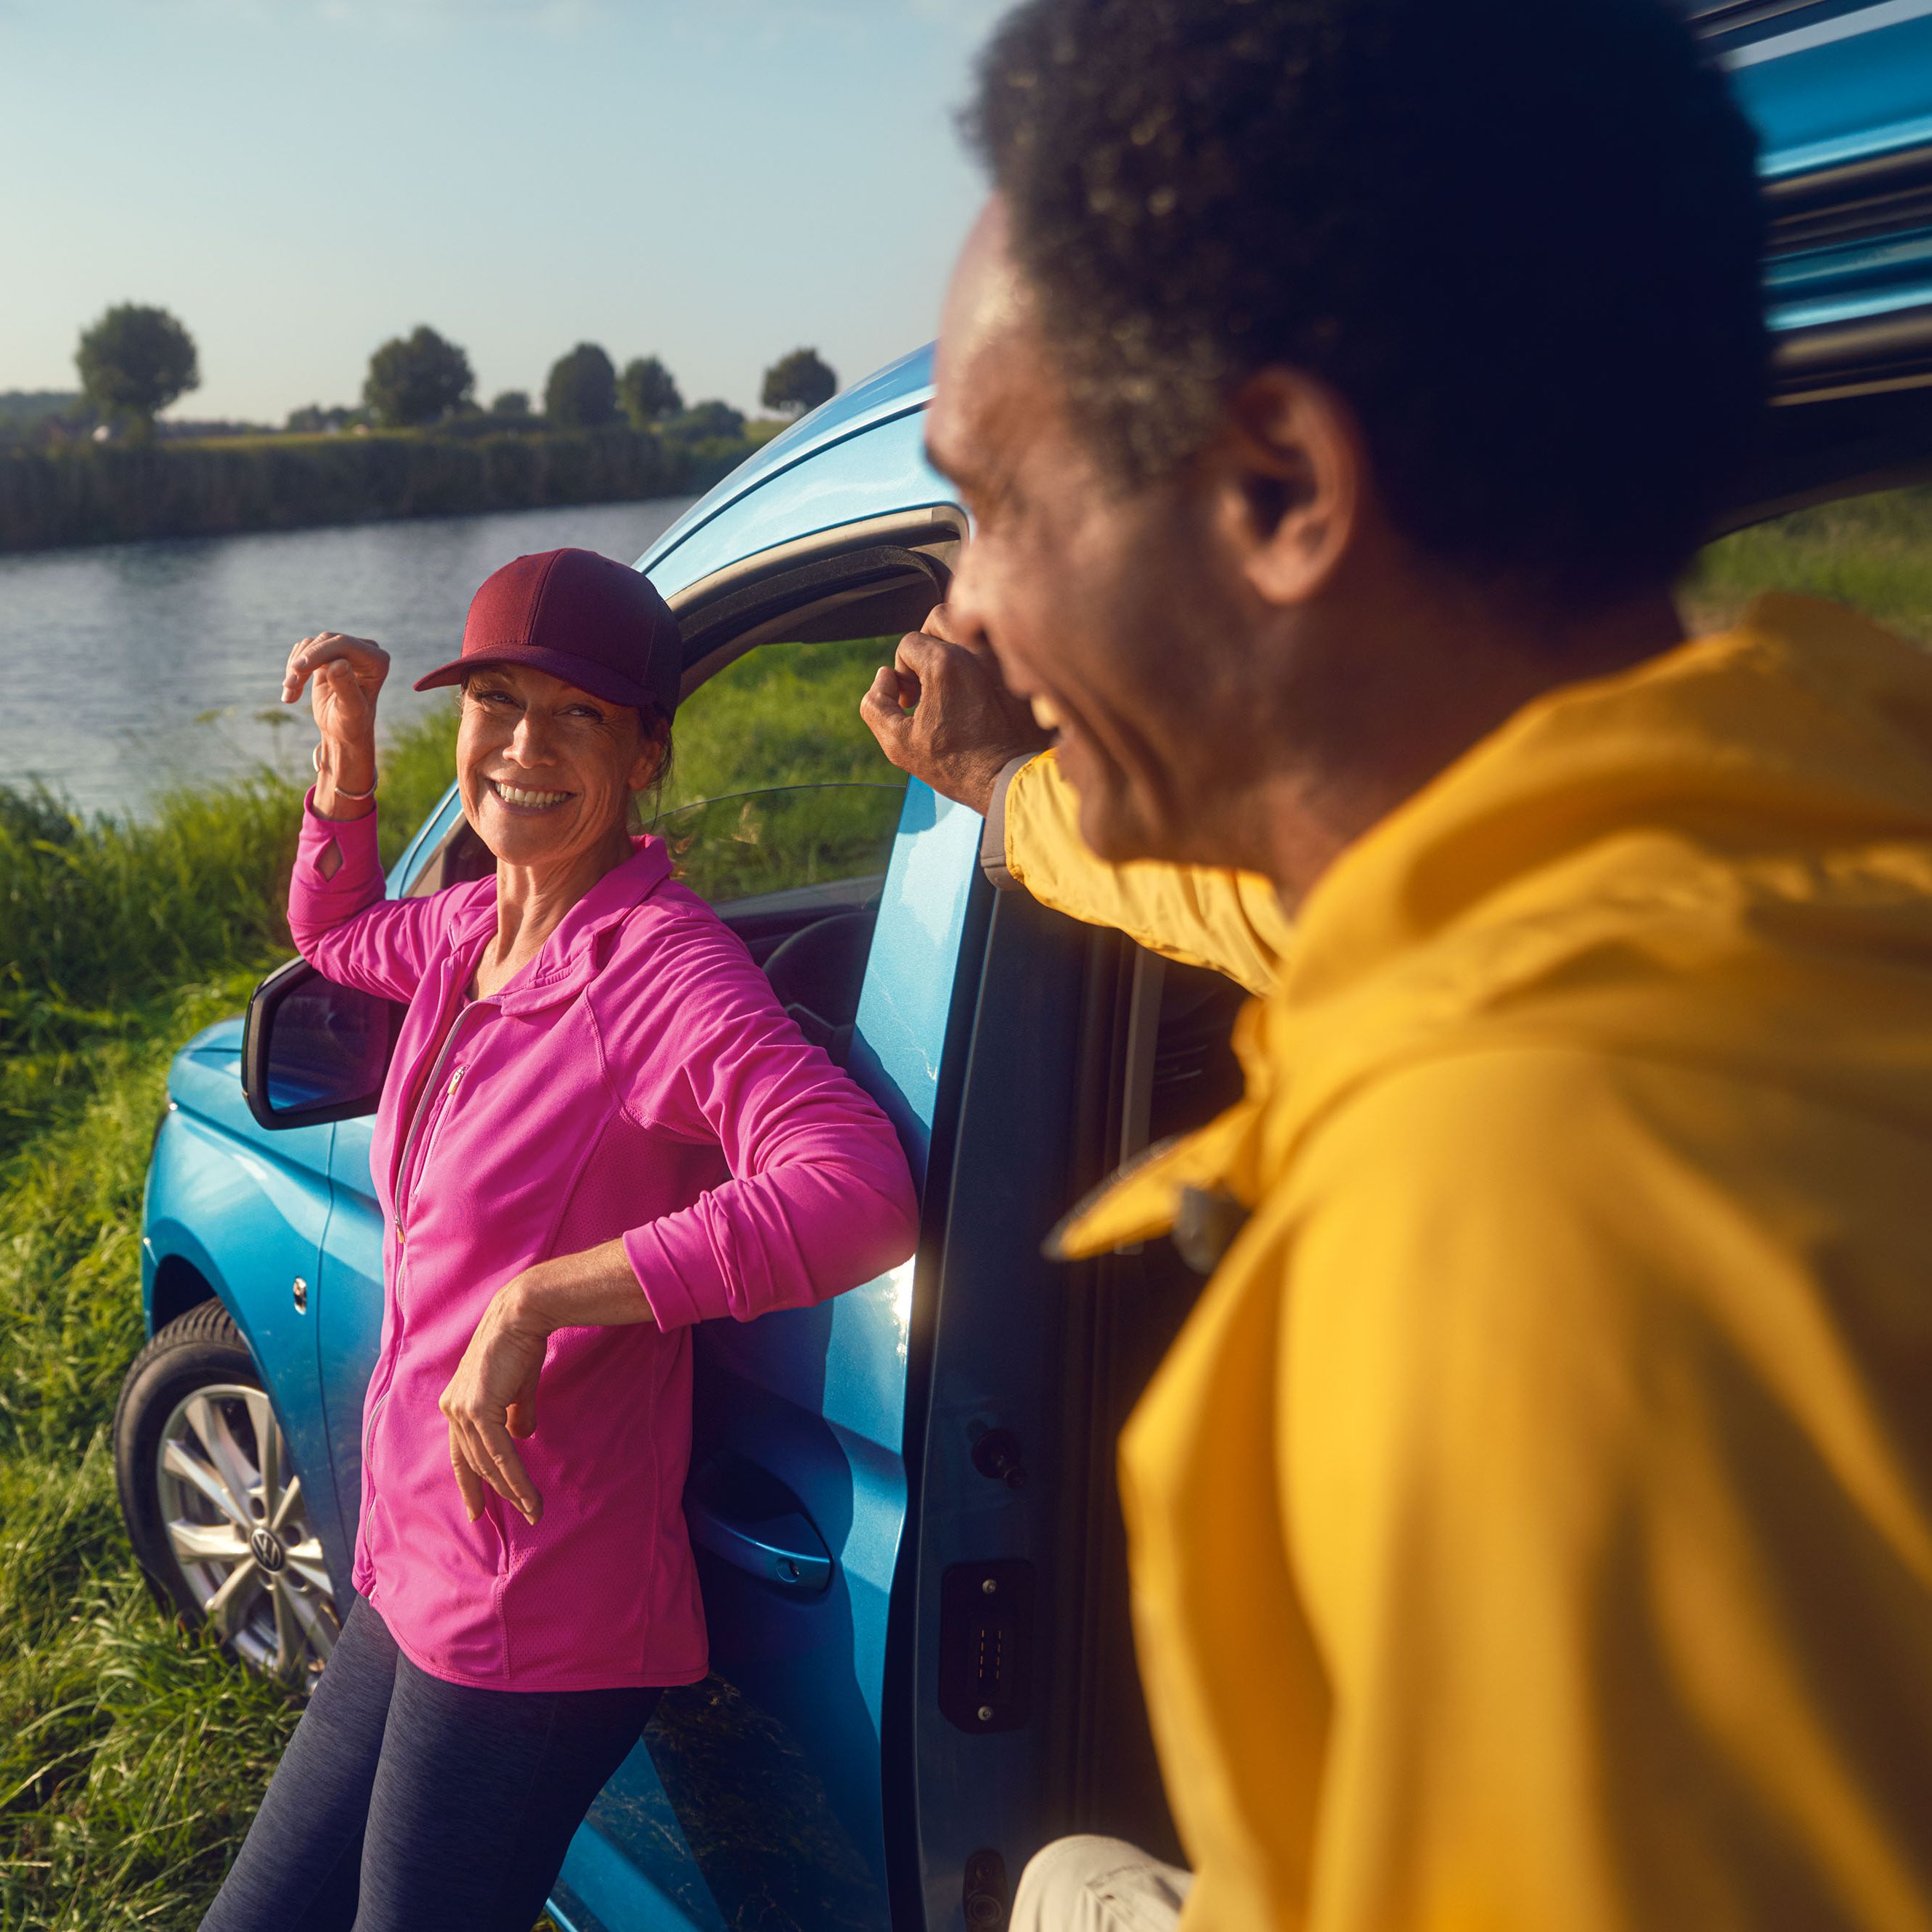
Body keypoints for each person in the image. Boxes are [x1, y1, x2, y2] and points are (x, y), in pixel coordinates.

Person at [860, 1, 1932, 1926]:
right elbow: (1292, 913)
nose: (969, 600)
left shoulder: (1519, 1216)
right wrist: (1009, 795)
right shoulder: (1785, 835)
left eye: (996, 502)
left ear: (1278, 483)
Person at [200, 548, 919, 1932]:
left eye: (579, 714)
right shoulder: (477, 924)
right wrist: (347, 751)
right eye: (496, 705)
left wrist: (543, 1300)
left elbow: (855, 1185)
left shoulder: (661, 970)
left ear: (647, 751)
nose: (525, 747)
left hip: (533, 1617)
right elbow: (338, 932)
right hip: (415, 1559)